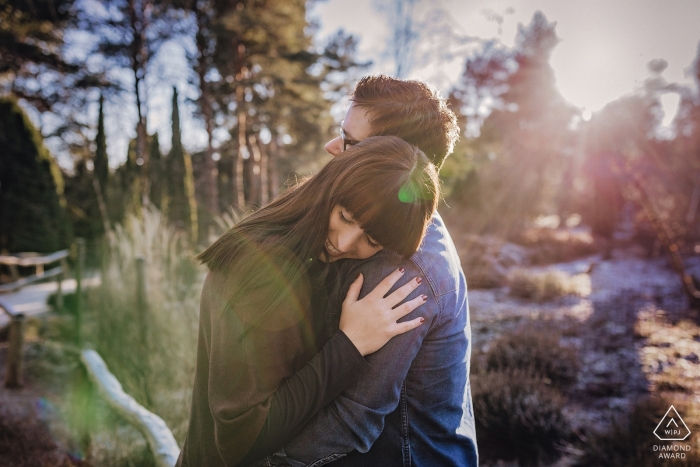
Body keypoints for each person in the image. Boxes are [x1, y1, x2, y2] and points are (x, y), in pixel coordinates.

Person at [175, 136, 441, 467]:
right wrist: (349, 345)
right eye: (345, 216)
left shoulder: (296, 244)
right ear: (332, 186)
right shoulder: (269, 268)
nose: (343, 243)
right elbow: (240, 440)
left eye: (371, 240)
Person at [274, 75, 479, 467]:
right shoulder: (398, 227)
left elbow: (350, 422)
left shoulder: (403, 270)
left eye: (351, 143)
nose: (331, 147)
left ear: (393, 162)